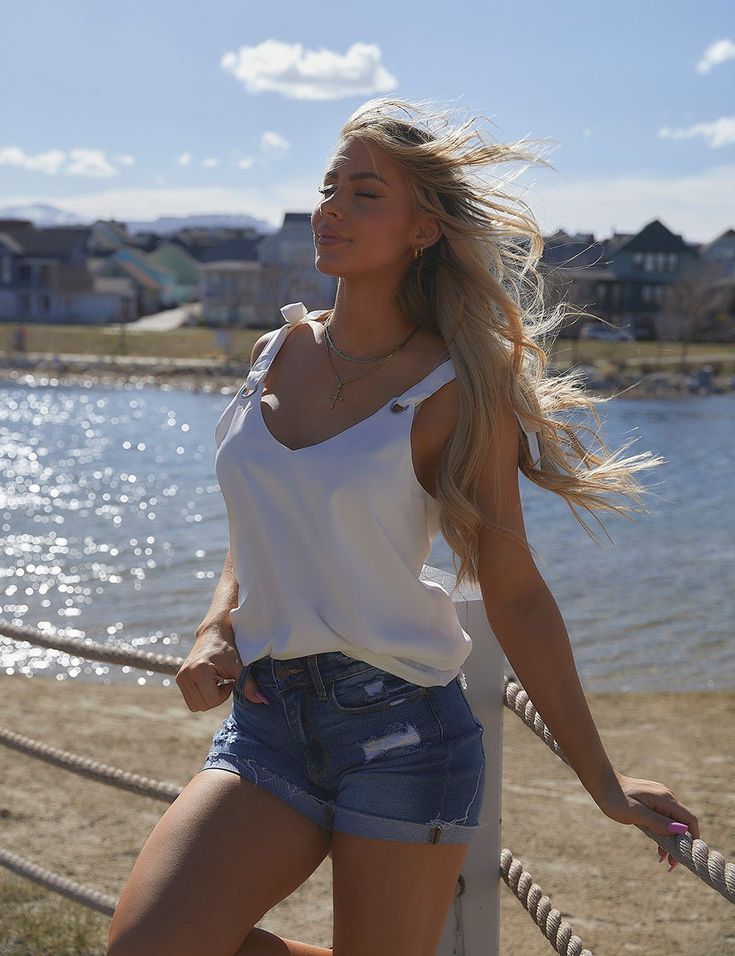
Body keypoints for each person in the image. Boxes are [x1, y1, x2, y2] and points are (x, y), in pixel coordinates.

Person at [108, 98, 700, 956]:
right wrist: (213, 627)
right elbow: (265, 528)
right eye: (327, 188)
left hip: (401, 735)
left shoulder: (453, 392)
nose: (330, 209)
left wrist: (599, 781)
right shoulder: (275, 353)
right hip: (267, 718)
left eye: (363, 193)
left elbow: (516, 591)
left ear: (424, 229)